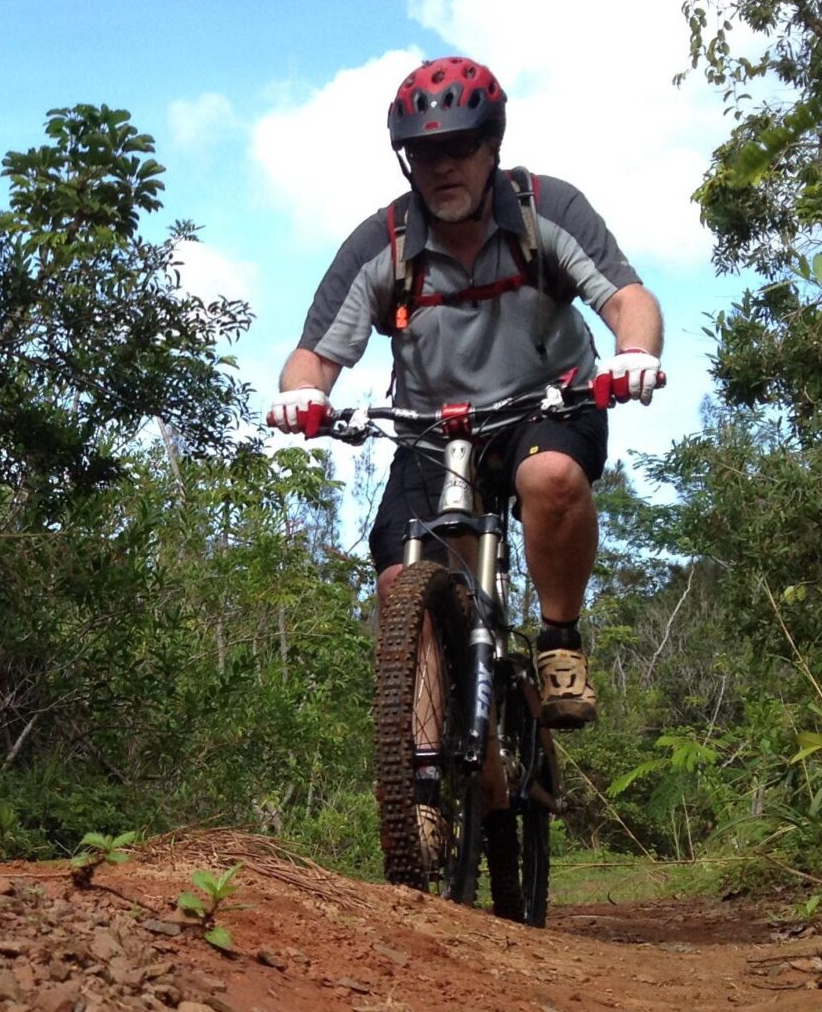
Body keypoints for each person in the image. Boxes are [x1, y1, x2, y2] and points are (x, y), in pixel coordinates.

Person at [265, 55, 663, 727]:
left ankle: (560, 642)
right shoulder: (382, 242)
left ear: (492, 145)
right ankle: (422, 787)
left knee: (553, 477)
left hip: (546, 406)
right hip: (433, 433)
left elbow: (628, 298)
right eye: (423, 154)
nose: (442, 166)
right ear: (406, 162)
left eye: (459, 146)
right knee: (402, 586)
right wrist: (301, 396)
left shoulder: (547, 208)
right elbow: (313, 357)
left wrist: (634, 353)